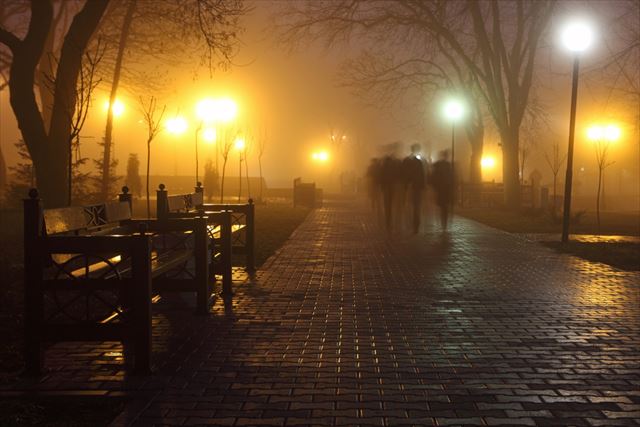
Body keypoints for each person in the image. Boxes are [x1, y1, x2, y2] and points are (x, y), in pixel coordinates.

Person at [402, 144, 426, 233]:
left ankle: (413, 224)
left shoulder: (406, 161)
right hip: (415, 187)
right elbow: (421, 174)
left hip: (411, 186)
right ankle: (415, 224)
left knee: (412, 206)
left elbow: (403, 174)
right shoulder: (418, 162)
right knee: (415, 206)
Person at [430, 150, 454, 230]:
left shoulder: (439, 165)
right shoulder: (448, 165)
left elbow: (433, 177)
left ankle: (443, 222)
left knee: (442, 206)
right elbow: (452, 177)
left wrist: (435, 186)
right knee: (445, 206)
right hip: (446, 189)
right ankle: (444, 223)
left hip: (441, 189)